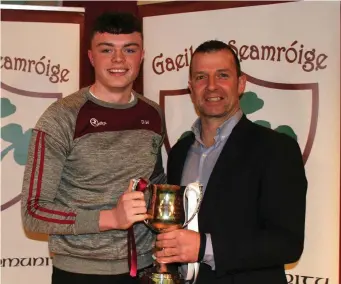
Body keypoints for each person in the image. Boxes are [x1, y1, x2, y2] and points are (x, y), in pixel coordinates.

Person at [21, 12, 166, 284]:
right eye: (107, 49)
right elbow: (33, 212)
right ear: (91, 57)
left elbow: (156, 183)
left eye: (129, 50)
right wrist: (110, 218)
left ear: (142, 56)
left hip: (145, 268)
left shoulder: (154, 114)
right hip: (80, 273)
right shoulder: (61, 117)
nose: (118, 60)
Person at [155, 40, 307, 284]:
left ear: (241, 83)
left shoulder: (277, 149)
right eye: (201, 77)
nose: (211, 86)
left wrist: (204, 247)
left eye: (222, 75)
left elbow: (286, 243)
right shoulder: (179, 153)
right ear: (191, 87)